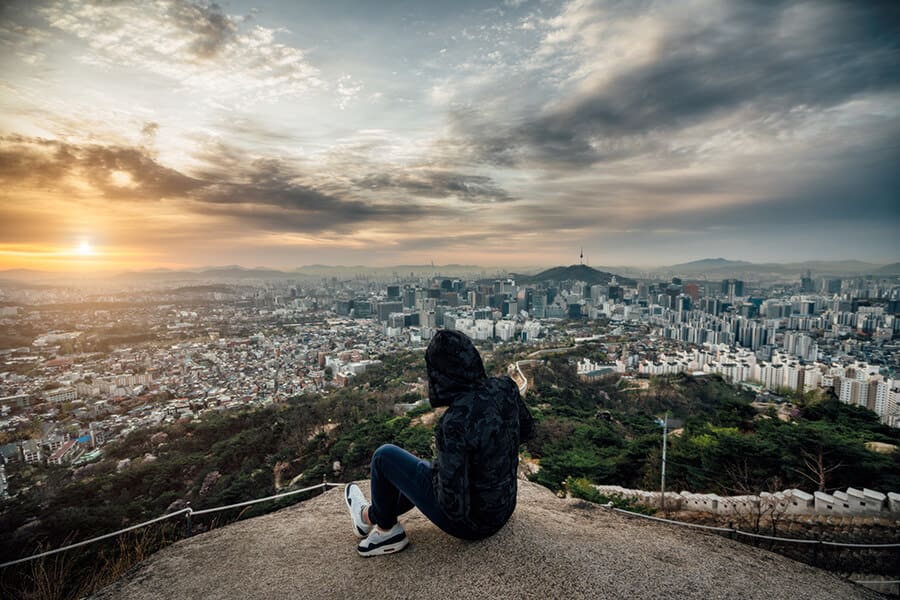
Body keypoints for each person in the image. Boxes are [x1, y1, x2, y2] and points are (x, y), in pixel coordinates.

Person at [344, 329, 535, 556]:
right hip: (504, 507)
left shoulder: (455, 421)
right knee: (423, 470)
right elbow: (526, 431)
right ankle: (370, 515)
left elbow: (452, 505)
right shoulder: (506, 387)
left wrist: (430, 475)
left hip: (473, 526)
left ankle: (384, 530)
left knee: (384, 456)